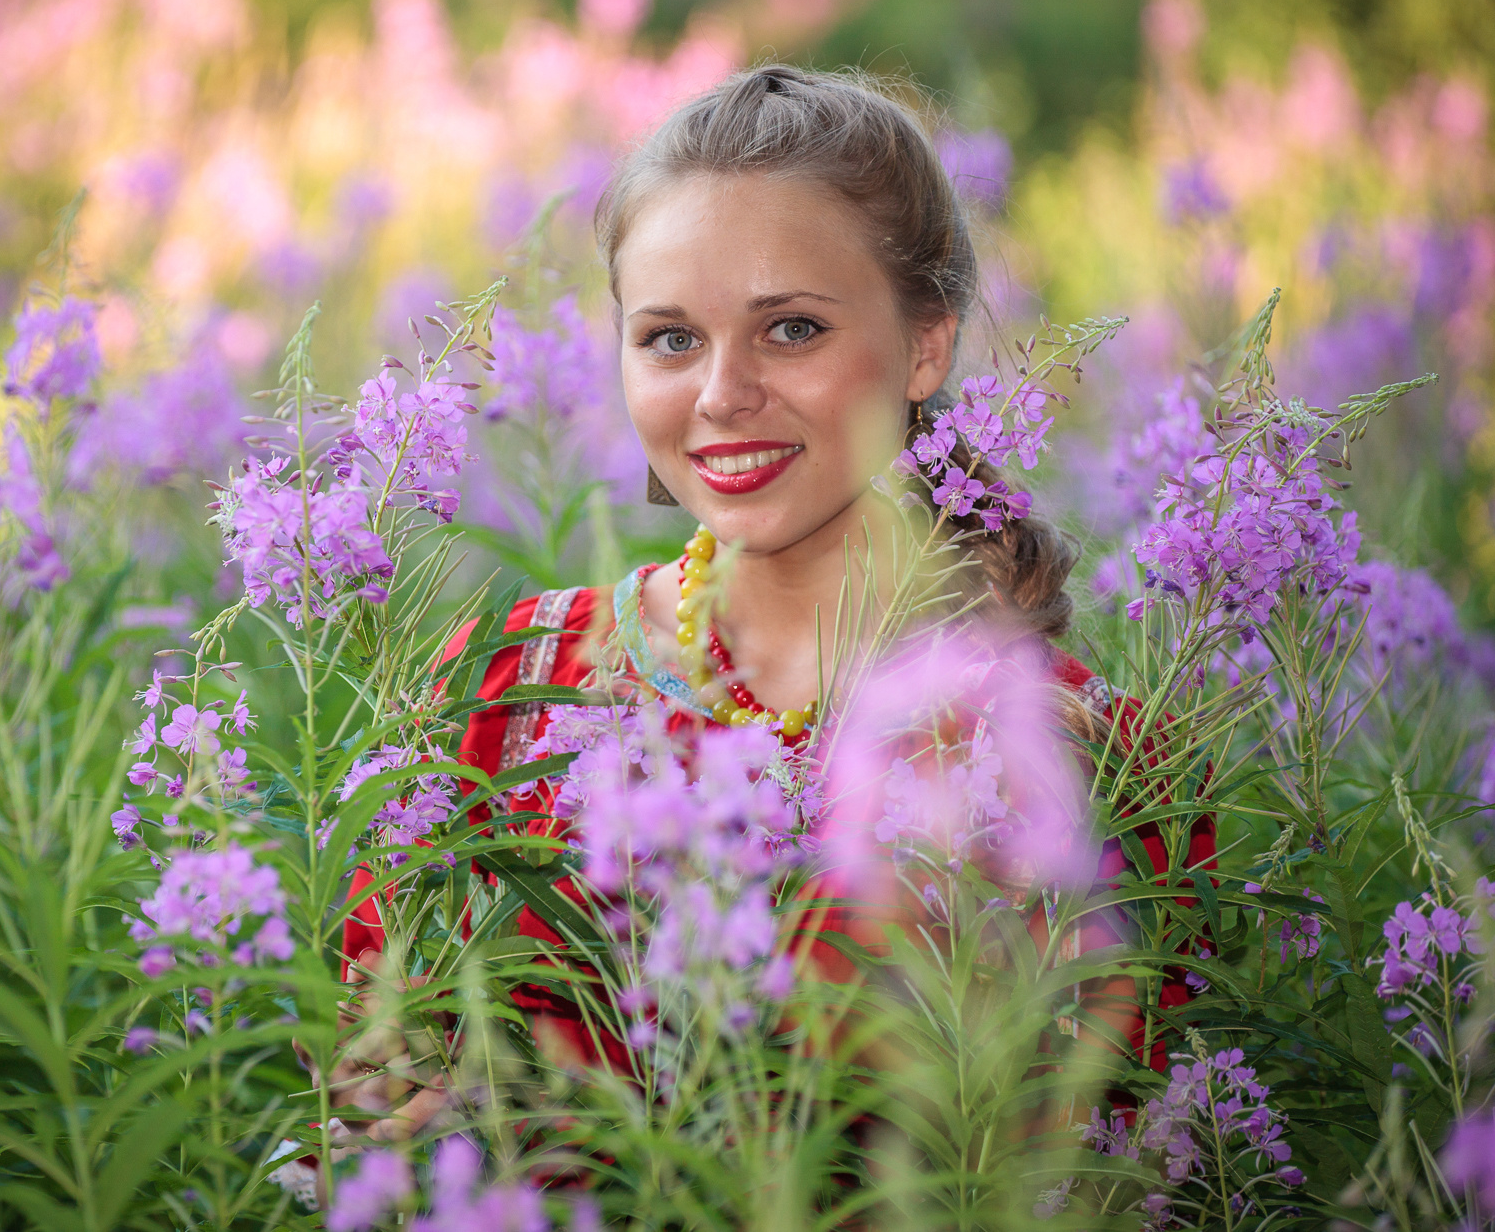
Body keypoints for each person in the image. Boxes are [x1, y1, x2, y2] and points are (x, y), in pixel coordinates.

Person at [330, 63, 1213, 1144]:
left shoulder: (1078, 758)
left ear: (925, 345)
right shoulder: (506, 686)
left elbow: (1124, 1171)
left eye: (791, 328)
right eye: (670, 338)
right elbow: (361, 1102)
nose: (720, 394)